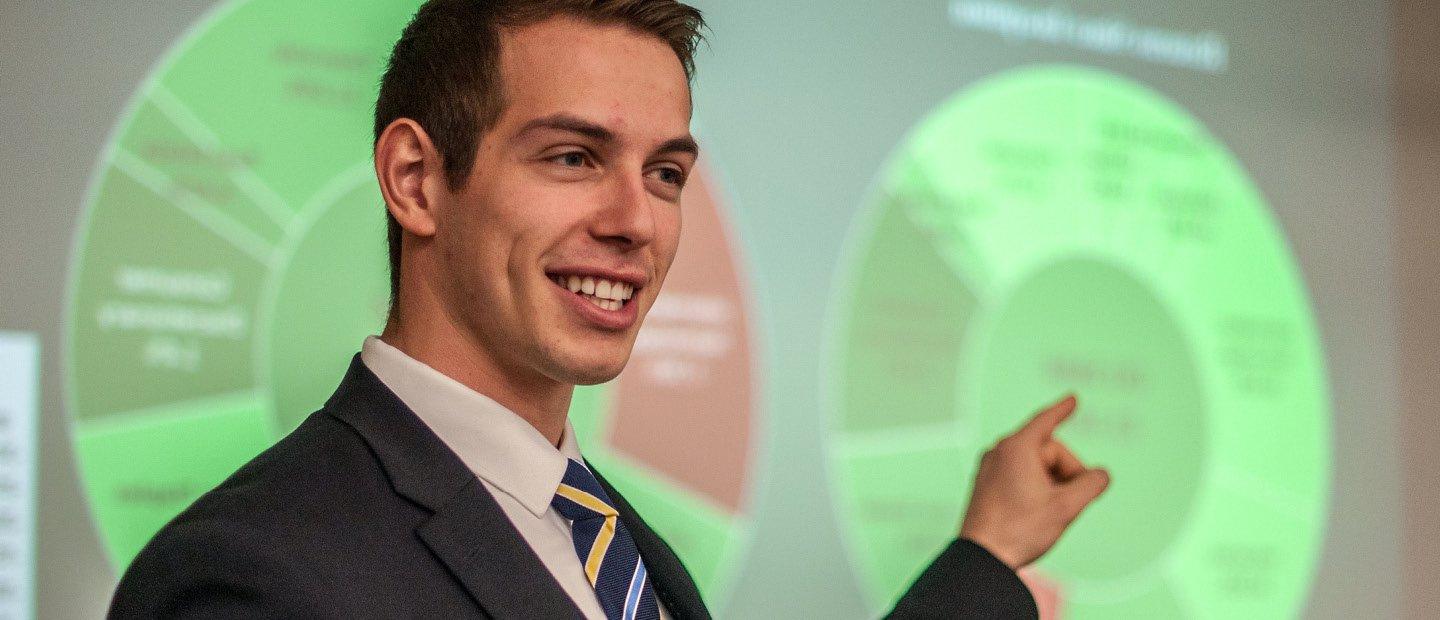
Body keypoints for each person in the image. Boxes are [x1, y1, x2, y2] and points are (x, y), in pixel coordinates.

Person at [109, 1, 1110, 618]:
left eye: (666, 172)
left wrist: (985, 556)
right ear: (416, 179)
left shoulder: (616, 543)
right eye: (574, 156)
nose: (638, 220)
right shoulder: (253, 577)